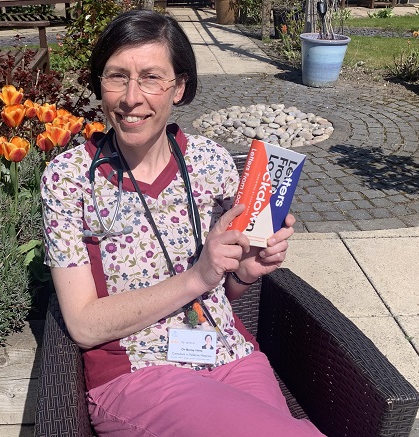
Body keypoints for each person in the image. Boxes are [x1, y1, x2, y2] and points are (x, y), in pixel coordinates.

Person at [41, 9, 324, 437]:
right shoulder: (69, 180)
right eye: (117, 76)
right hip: (140, 373)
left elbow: (225, 285)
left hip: (229, 355)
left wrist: (244, 274)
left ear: (180, 87)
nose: (131, 97)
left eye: (152, 78)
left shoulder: (212, 164)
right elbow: (82, 325)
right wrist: (199, 275)